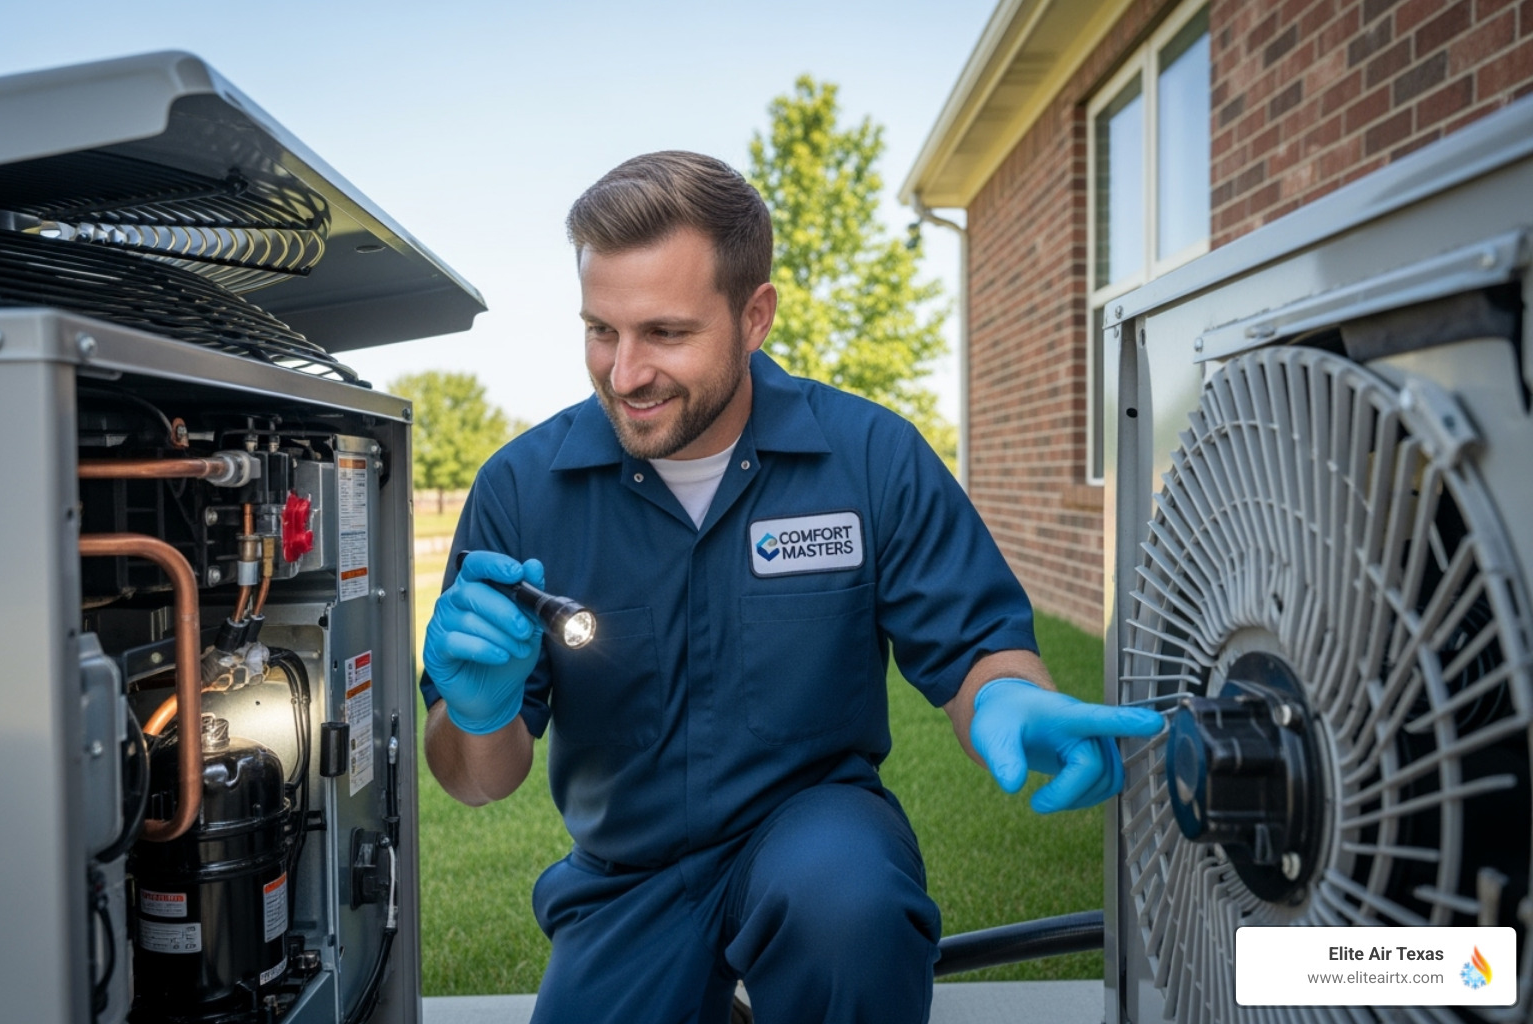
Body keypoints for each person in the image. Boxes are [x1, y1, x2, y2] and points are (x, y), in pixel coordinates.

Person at [420, 150, 1163, 1024]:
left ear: (755, 315)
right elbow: (476, 780)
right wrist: (475, 715)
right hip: (626, 877)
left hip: (818, 840)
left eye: (666, 333)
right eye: (600, 330)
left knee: (851, 912)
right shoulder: (521, 488)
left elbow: (975, 651)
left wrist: (1010, 697)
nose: (625, 374)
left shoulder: (870, 457)